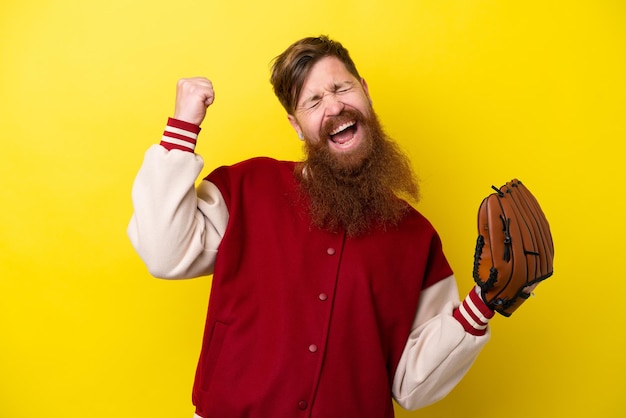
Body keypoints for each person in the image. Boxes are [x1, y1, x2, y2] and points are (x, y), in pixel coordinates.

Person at [128, 35, 500, 418]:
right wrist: (182, 126)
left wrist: (484, 303)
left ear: (366, 93)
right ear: (297, 126)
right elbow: (163, 253)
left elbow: (412, 385)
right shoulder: (246, 188)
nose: (335, 105)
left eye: (342, 88)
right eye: (314, 101)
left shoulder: (416, 236)